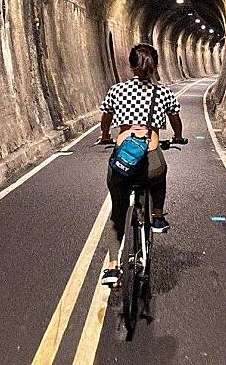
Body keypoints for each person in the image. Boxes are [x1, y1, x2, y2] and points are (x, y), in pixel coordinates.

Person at [97, 43, 186, 286]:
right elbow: (175, 119)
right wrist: (178, 136)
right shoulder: (163, 92)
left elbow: (106, 118)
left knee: (117, 212)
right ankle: (157, 216)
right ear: (155, 66)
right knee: (159, 174)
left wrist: (105, 135)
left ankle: (113, 266)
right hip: (150, 157)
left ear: (131, 65)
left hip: (123, 159)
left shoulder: (117, 90)